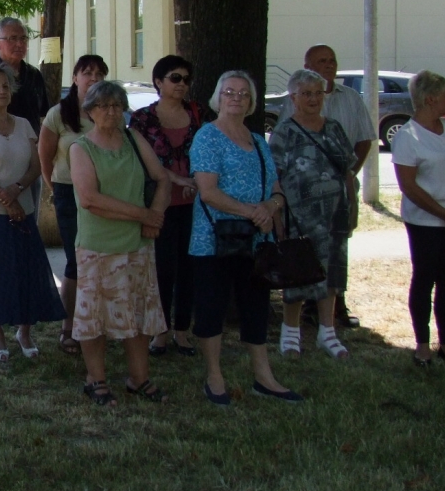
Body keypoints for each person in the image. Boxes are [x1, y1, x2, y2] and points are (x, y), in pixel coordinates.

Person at [190, 70, 301, 406]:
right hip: (214, 240)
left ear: (251, 101)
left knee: (256, 307)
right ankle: (214, 376)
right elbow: (208, 192)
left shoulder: (258, 140)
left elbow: (276, 189)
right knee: (212, 307)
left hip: (256, 242)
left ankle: (263, 376)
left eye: (243, 93)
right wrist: (252, 212)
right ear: (218, 97)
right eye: (229, 92)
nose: (236, 98)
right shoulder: (208, 137)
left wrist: (271, 207)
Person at [70, 81, 172, 406]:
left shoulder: (133, 138)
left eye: (117, 105)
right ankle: (95, 379)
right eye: (103, 106)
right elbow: (90, 199)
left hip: (137, 244)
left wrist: (155, 216)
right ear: (90, 111)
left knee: (139, 314)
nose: (111, 112)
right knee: (95, 318)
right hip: (98, 246)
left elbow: (162, 178)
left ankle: (139, 378)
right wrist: (143, 215)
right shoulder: (80, 148)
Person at [0, 64, 65, 360]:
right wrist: (7, 201)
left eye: (5, 86)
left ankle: (25, 331)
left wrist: (17, 190)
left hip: (25, 211)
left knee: (27, 271)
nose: (2, 91)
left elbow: (36, 166)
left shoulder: (23, 125)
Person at [279, 44, 374, 328]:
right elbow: (279, 165)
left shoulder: (350, 100)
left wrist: (348, 184)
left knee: (334, 259)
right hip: (301, 208)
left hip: (336, 200)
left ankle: (332, 318)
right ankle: (297, 322)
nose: (329, 65)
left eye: (332, 60)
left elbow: (364, 140)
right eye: (322, 61)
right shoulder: (290, 112)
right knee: (303, 259)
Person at [391, 71, 445, 367]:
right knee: (424, 278)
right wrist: (443, 213)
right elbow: (409, 187)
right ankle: (422, 344)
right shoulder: (407, 136)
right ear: (430, 99)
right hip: (424, 221)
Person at [268, 69, 356, 359]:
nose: (313, 99)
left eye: (318, 93)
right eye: (306, 94)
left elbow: (347, 171)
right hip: (298, 219)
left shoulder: (334, 128)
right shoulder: (284, 132)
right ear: (293, 97)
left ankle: (327, 333)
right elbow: (273, 178)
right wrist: (278, 218)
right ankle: (290, 333)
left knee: (332, 274)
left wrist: (353, 207)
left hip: (334, 216)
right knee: (297, 274)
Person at [130, 55, 206, 357]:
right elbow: (141, 161)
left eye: (186, 79)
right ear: (158, 82)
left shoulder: (199, 114)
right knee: (161, 269)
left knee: (189, 268)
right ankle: (159, 332)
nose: (182, 84)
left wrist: (197, 181)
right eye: (175, 78)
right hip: (159, 205)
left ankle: (182, 331)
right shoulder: (142, 119)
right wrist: (177, 179)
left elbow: (209, 154)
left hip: (195, 204)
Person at [38, 54, 108, 354]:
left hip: (106, 195)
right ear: (75, 78)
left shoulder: (108, 111)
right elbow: (45, 156)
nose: (93, 78)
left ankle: (96, 323)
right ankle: (69, 328)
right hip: (69, 193)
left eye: (99, 73)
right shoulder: (58, 113)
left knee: (101, 259)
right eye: (87, 72)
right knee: (76, 261)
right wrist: (55, 187)